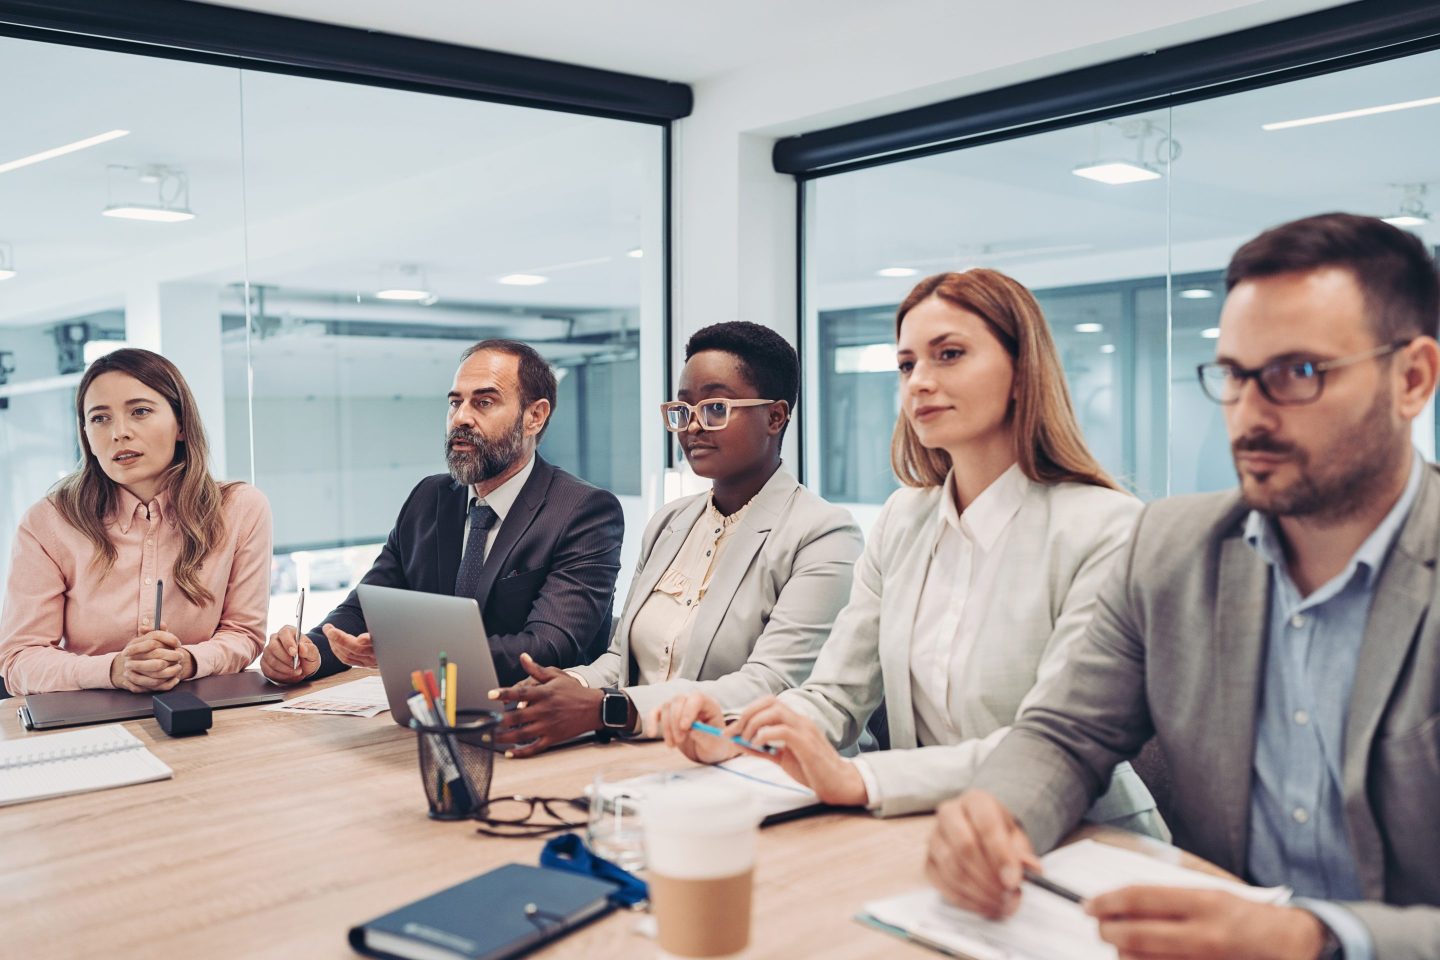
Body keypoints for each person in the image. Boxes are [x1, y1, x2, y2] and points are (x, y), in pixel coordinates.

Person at [927, 214, 1440, 960]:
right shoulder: (1169, 549)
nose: (1249, 415)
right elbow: (1066, 735)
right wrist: (995, 815)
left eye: (1297, 373)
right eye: (1234, 374)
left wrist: (1319, 938)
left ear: (1413, 379)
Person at [657, 269, 1158, 829]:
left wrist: (862, 779)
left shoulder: (1106, 528)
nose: (919, 381)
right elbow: (836, 697)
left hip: (1087, 839)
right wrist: (735, 733)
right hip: (926, 826)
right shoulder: (903, 519)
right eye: (906, 364)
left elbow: (1054, 742)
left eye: (949, 354)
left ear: (1022, 372)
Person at [489, 322, 862, 756]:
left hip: (761, 767)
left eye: (716, 408)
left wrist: (610, 707)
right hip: (647, 756)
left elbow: (769, 685)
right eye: (683, 410)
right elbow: (620, 659)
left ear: (775, 417)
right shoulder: (669, 523)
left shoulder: (824, 536)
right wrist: (566, 686)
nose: (693, 428)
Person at [258, 339, 624, 688]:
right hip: (429, 713)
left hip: (534, 722)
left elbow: (547, 649)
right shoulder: (428, 498)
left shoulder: (583, 512)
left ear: (534, 417)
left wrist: (412, 655)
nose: (461, 418)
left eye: (483, 403)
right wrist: (309, 653)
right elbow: (365, 609)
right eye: (455, 403)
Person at [0, 348, 271, 696]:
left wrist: (186, 661)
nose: (119, 433)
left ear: (182, 425)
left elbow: (243, 634)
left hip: (204, 710)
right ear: (86, 434)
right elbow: (20, 660)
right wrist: (114, 670)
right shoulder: (48, 522)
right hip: (88, 716)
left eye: (140, 411)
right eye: (100, 418)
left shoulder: (240, 508)